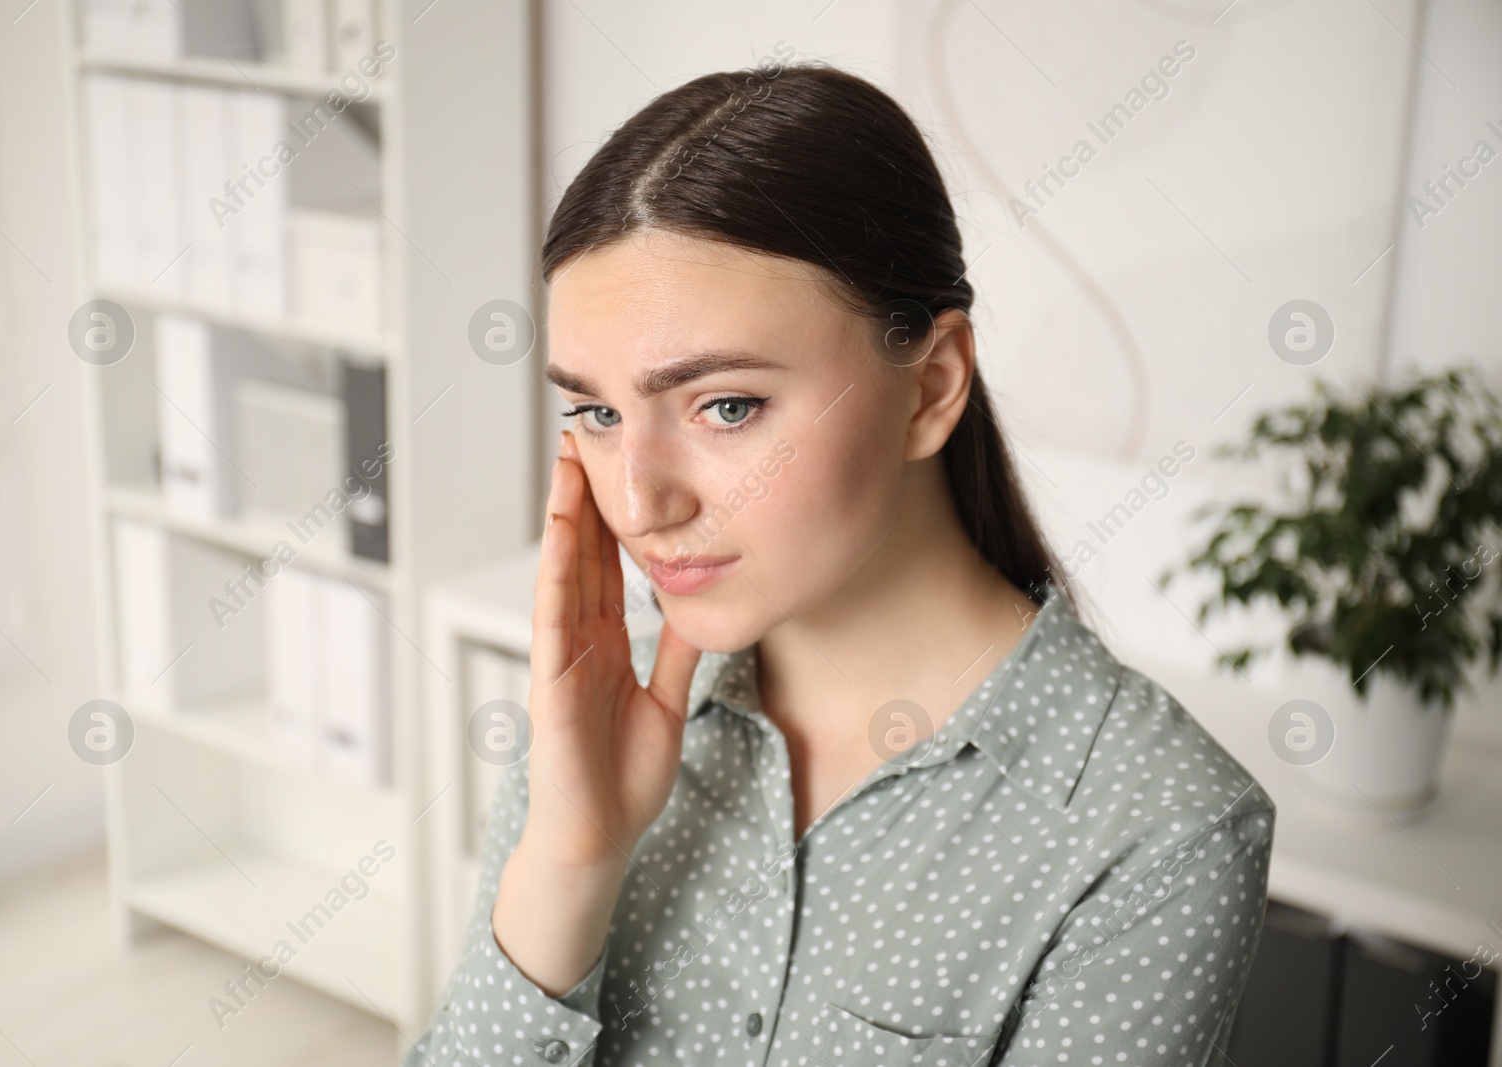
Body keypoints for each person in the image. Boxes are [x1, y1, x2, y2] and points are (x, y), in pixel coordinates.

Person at [403, 58, 1274, 1067]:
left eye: (724, 405)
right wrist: (569, 858)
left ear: (931, 384)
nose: (639, 503)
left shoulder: (1155, 831)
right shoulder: (598, 716)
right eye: (597, 412)